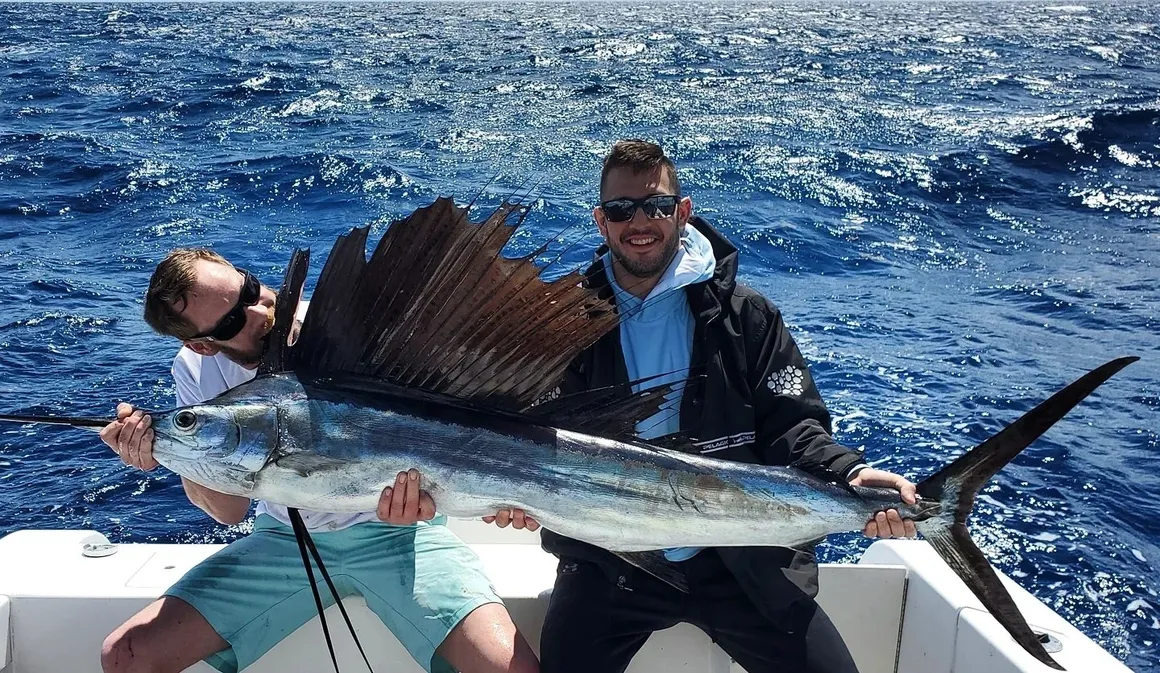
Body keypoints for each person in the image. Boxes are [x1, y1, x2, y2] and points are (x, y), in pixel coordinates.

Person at [489, 139, 919, 673]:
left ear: (682, 212)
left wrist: (852, 472)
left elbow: (794, 426)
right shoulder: (561, 323)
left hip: (740, 560)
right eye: (622, 210)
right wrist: (512, 491)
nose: (639, 222)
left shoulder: (748, 316)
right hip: (610, 560)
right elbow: (528, 436)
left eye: (656, 206)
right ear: (602, 221)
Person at [98, 248, 539, 673]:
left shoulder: (348, 331)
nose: (259, 312)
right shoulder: (195, 372)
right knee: (125, 654)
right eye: (233, 320)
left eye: (250, 291)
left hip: (399, 537)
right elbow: (229, 510)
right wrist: (168, 454)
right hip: (284, 543)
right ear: (202, 346)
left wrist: (437, 501)